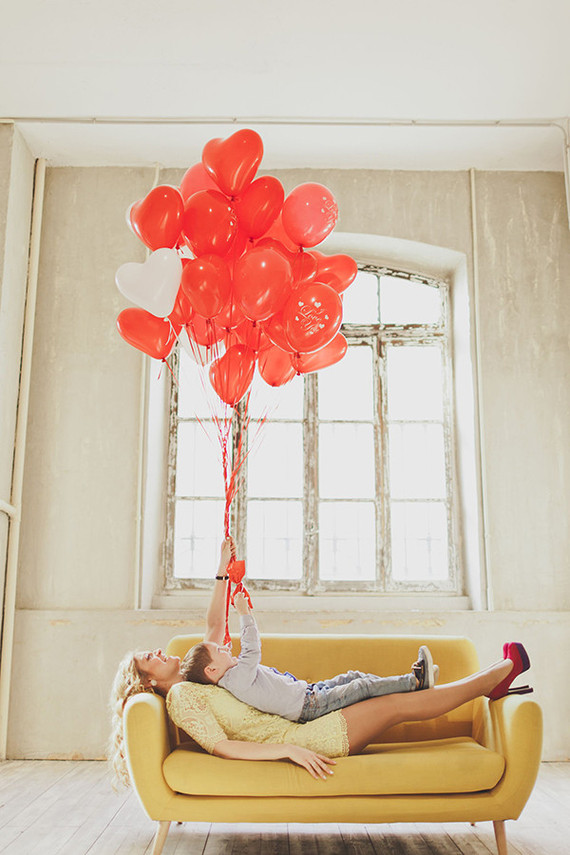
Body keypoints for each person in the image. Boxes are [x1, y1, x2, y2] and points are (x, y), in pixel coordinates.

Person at [109, 538, 533, 784]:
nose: (158, 652)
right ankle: (494, 678)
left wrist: (223, 569)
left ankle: (491, 678)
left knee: (378, 693)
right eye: (150, 659)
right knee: (396, 704)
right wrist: (287, 750)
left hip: (309, 719)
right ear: (148, 683)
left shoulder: (198, 677)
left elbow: (214, 627)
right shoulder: (181, 698)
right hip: (311, 736)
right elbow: (222, 747)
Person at [181, 591, 439, 722]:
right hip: (309, 707)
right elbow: (251, 650)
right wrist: (244, 613)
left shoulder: (232, 675)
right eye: (219, 651)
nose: (226, 648)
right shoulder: (235, 679)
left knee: (354, 676)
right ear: (211, 671)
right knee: (361, 687)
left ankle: (411, 683)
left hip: (310, 692)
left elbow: (243, 655)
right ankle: (415, 681)